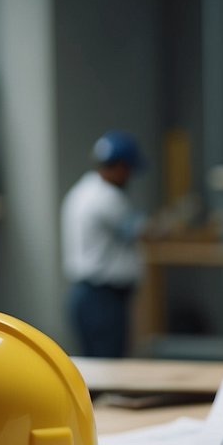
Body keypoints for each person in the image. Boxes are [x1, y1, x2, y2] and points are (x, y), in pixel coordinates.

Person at [60, 130, 147, 358]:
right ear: (118, 167)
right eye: (127, 170)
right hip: (102, 299)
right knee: (109, 370)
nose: (128, 176)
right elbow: (142, 231)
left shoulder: (82, 190)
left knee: (96, 371)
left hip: (87, 295)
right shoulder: (106, 197)